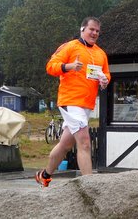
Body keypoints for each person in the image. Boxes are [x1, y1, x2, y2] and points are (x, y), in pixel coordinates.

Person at [35, 16, 110, 187]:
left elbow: (106, 74)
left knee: (65, 144)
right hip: (70, 101)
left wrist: (105, 80)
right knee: (84, 141)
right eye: (92, 29)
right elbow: (50, 66)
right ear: (82, 29)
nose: (95, 33)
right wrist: (68, 67)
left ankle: (44, 175)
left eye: (97, 31)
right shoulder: (70, 46)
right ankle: (89, 185)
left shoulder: (100, 53)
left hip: (87, 104)